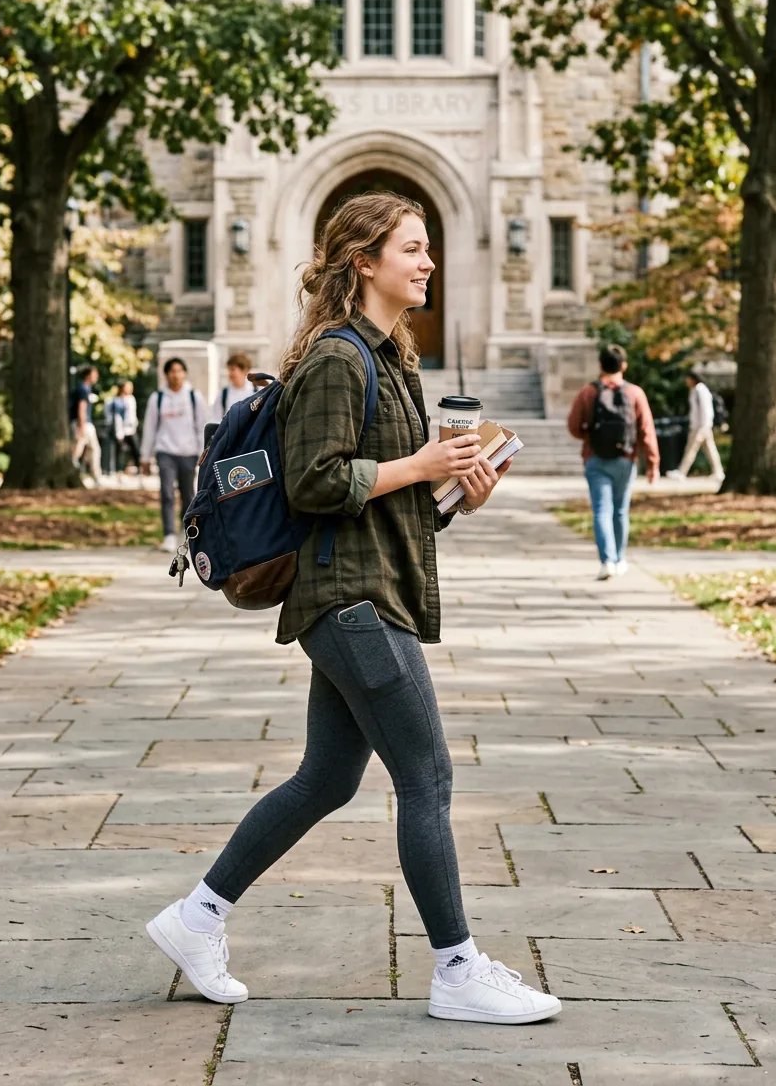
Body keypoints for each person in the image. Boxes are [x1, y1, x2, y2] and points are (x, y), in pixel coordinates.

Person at [145, 191, 561, 1026]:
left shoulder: (391, 358)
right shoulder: (339, 358)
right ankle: (456, 970)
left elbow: (395, 501)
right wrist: (417, 464)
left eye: (429, 247)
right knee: (429, 777)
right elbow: (314, 482)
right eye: (411, 248)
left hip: (369, 592)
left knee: (327, 779)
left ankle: (196, 919)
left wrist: (461, 491)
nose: (428, 261)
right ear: (363, 262)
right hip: (352, 604)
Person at [567, 344, 659, 580]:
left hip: (595, 459)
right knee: (620, 511)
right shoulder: (635, 393)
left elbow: (573, 427)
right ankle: (620, 559)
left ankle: (606, 561)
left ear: (600, 366)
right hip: (625, 460)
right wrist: (653, 463)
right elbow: (646, 430)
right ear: (624, 366)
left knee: (601, 510)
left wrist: (589, 433)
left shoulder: (588, 392)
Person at [140, 357, 207, 553]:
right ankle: (169, 534)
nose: (175, 375)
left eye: (179, 370)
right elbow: (150, 428)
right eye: (171, 371)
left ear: (184, 373)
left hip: (188, 452)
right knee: (167, 494)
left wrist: (202, 451)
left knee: (188, 495)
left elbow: (200, 426)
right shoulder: (158, 398)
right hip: (165, 452)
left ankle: (187, 533)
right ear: (166, 374)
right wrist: (145, 456)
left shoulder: (193, 397)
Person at [666, 370, 724, 483]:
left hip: (701, 426)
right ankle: (718, 472)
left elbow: (704, 409)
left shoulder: (699, 390)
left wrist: (702, 425)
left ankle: (682, 472)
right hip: (703, 425)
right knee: (710, 450)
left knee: (691, 449)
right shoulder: (698, 390)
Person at [69, 365, 102, 486]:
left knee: (88, 450)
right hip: (83, 423)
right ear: (88, 375)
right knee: (80, 450)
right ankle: (94, 476)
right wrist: (82, 426)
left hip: (84, 423)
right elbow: (81, 408)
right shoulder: (82, 389)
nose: (96, 377)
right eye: (94, 374)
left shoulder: (85, 388)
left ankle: (94, 476)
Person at [209, 352, 255, 422]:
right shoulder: (223, 394)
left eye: (233, 369)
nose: (229, 374)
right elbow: (215, 419)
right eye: (228, 370)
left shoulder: (256, 392)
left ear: (244, 371)